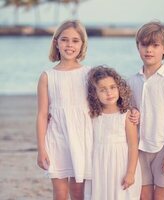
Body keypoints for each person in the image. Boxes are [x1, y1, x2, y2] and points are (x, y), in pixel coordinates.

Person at [36, 20, 93, 200]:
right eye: (65, 40)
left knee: (78, 193)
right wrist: (41, 149)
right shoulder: (47, 76)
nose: (70, 45)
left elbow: (104, 105)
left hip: (83, 139)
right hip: (57, 138)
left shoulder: (90, 73)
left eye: (75, 41)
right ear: (56, 43)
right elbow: (42, 115)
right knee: (60, 193)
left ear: (82, 44)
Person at [128, 21, 164, 200]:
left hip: (163, 147)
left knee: (161, 194)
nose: (149, 50)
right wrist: (133, 112)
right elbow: (129, 110)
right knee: (143, 194)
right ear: (138, 46)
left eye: (155, 45)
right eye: (144, 44)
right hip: (139, 147)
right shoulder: (132, 81)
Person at [87, 65, 142, 200]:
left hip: (122, 164)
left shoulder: (126, 115)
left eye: (112, 87)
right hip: (99, 165)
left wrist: (130, 172)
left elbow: (133, 145)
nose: (109, 93)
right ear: (94, 94)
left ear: (119, 88)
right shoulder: (93, 115)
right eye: (103, 90)